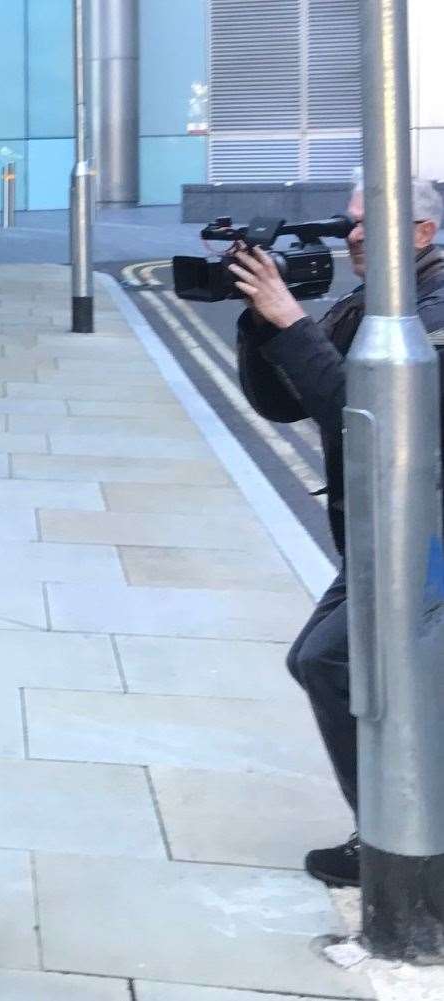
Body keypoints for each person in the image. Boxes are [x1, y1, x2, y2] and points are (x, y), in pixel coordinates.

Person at [232, 175, 444, 888]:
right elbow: (283, 400)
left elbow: (367, 425)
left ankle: (399, 840)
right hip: (386, 539)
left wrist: (290, 321)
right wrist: (259, 325)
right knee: (326, 661)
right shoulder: (371, 307)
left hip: (425, 541)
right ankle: (391, 830)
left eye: (373, 222)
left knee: (328, 659)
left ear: (422, 234)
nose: (354, 234)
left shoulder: (428, 311)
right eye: (351, 222)